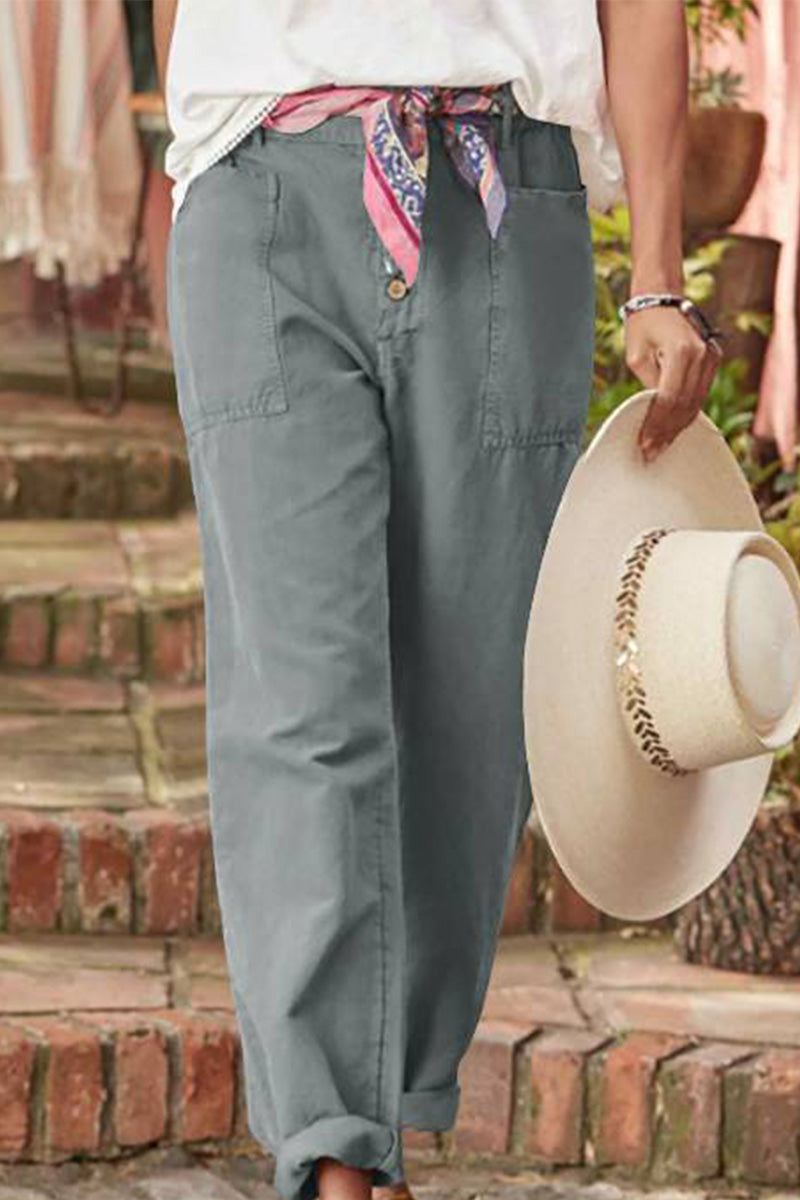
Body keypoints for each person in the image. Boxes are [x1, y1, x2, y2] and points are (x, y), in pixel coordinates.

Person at [155, 4, 722, 1200]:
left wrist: (658, 277)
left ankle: (388, 1110)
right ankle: (333, 1152)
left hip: (504, 196)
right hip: (262, 193)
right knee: (301, 705)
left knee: (471, 708)